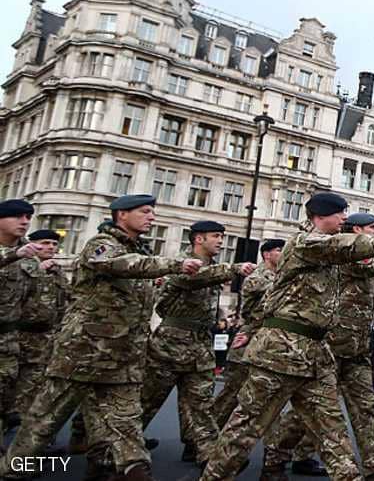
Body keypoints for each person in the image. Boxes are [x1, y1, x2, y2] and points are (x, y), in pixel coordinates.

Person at [199, 191, 374, 481]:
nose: (344, 218)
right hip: (280, 351)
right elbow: (342, 247)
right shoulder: (305, 243)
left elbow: (370, 267)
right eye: (340, 213)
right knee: (246, 427)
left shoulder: (331, 255)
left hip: (315, 353)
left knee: (333, 428)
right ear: (319, 216)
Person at [1, 195, 203, 481]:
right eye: (145, 211)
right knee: (44, 420)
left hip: (122, 355)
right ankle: (14, 469)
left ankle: (131, 468)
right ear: (122, 215)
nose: (152, 217)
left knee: (127, 418)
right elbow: (119, 264)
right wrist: (172, 265)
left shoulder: (140, 250)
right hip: (83, 352)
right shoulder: (102, 245)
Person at [260, 211, 374, 479]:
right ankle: (276, 456)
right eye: (371, 228)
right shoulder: (344, 255)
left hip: (355, 348)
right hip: (332, 345)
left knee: (365, 406)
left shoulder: (361, 258)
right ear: (355, 231)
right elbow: (370, 267)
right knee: (310, 412)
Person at [139, 220, 255, 468]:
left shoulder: (212, 267)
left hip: (200, 346)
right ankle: (117, 448)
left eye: (222, 237)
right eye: (215, 236)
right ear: (198, 239)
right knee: (147, 401)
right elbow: (194, 279)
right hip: (170, 343)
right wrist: (235, 269)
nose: (220, 241)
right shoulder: (184, 263)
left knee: (200, 404)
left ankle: (207, 453)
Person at [214, 238, 285, 428]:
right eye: (279, 250)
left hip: (268, 340)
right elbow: (256, 310)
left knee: (267, 396)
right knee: (231, 394)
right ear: (267, 254)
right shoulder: (258, 277)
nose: (283, 253)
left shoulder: (280, 276)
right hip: (249, 339)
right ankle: (205, 436)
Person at [7, 227, 71, 425]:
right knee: (9, 387)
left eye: (54, 244)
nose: (50, 247)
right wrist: (38, 272)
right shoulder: (19, 264)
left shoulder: (57, 270)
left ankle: (27, 440)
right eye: (44, 243)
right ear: (32, 245)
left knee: (35, 390)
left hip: (46, 339)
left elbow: (67, 297)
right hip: (20, 335)